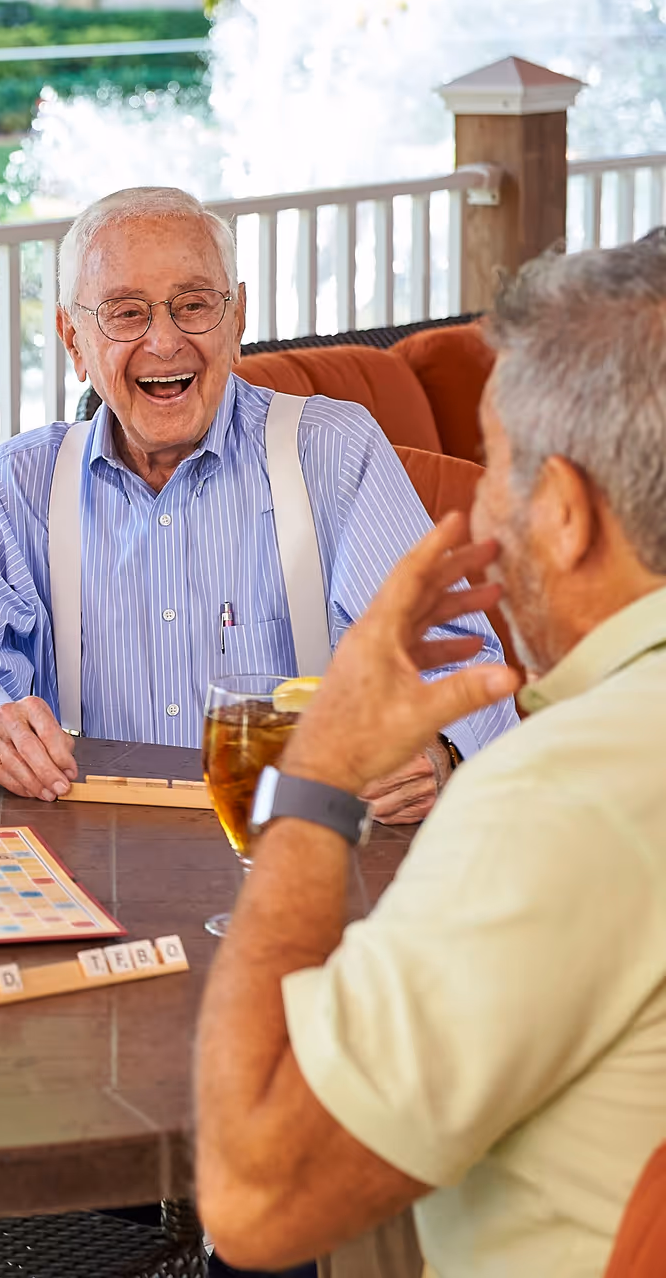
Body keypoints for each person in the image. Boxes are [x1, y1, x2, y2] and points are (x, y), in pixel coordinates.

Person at [194, 236, 666, 1276]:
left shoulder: (565, 793)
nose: (473, 513)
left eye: (493, 468)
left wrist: (316, 777)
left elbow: (252, 1200)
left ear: (566, 513)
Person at [0, 186, 515, 825]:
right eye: (126, 313)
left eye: (193, 306)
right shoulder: (22, 482)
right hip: (91, 851)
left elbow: (463, 662)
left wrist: (437, 751)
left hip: (296, 856)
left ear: (237, 321)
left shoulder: (334, 453)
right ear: (73, 341)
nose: (164, 342)